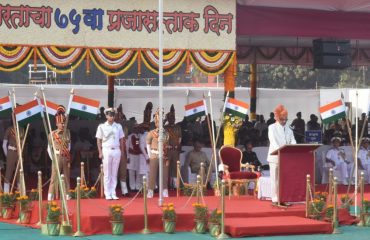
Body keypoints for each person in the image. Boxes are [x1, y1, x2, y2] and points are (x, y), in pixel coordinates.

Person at [267, 105, 296, 206]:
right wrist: (281, 151)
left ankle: (284, 198)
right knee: (275, 179)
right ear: (277, 118)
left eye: (286, 119)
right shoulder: (272, 127)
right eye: (282, 119)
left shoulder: (289, 129)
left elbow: (293, 141)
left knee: (284, 179)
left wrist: (293, 147)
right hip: (275, 157)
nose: (284, 121)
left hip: (286, 158)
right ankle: (275, 199)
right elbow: (273, 141)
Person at [96, 107, 125, 200]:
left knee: (114, 173)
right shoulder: (101, 126)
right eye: (109, 115)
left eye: (113, 115)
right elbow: (98, 140)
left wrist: (122, 151)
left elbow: (121, 140)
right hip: (106, 150)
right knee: (107, 173)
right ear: (106, 115)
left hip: (116, 150)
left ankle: (113, 192)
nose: (111, 117)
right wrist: (100, 152)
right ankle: (107, 193)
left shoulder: (118, 126)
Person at [47, 106, 71, 201]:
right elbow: (49, 148)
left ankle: (67, 194)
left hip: (65, 156)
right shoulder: (52, 134)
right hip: (56, 156)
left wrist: (68, 154)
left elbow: (69, 145)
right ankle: (50, 195)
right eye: (61, 123)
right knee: (54, 177)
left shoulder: (68, 132)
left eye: (64, 123)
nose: (63, 125)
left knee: (66, 176)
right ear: (57, 123)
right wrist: (53, 158)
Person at [146, 109, 169, 198]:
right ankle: (150, 190)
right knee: (152, 173)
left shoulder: (166, 133)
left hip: (163, 154)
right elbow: (148, 145)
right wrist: (150, 156)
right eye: (158, 121)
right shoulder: (152, 133)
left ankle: (164, 190)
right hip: (154, 154)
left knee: (164, 174)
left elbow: (167, 144)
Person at [2, 117, 24, 193]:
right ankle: (6, 193)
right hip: (11, 151)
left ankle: (20, 191)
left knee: (19, 172)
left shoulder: (22, 129)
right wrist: (7, 155)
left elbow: (23, 143)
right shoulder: (9, 129)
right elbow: (4, 144)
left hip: (19, 152)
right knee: (8, 172)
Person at [164, 105, 182, 189]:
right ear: (168, 119)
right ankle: (166, 184)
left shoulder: (178, 127)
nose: (172, 119)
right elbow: (163, 139)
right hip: (167, 150)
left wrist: (178, 146)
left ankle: (175, 184)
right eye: (170, 118)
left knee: (175, 167)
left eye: (173, 118)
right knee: (166, 167)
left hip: (175, 150)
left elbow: (179, 138)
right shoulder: (165, 128)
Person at [126, 124, 142, 191]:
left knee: (138, 172)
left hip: (138, 156)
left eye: (138, 128)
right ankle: (132, 187)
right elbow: (127, 147)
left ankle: (138, 186)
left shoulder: (140, 136)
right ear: (133, 129)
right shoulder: (129, 137)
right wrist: (128, 157)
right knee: (131, 172)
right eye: (135, 128)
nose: (136, 129)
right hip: (131, 156)